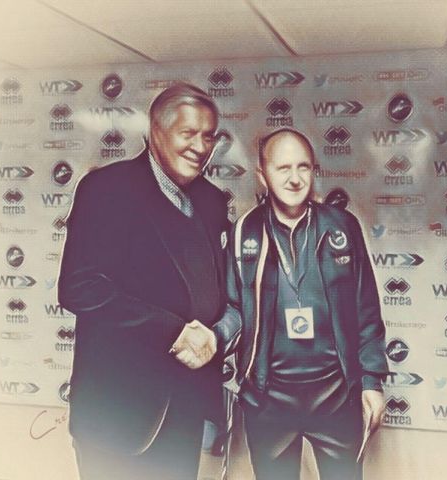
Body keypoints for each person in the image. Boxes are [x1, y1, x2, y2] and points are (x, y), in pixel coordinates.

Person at [178, 128, 388, 480]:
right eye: (283, 168)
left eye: (303, 167)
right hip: (269, 398)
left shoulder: (342, 227)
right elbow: (235, 309)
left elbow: (366, 310)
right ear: (262, 175)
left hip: (336, 395)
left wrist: (371, 381)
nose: (294, 179)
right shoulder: (244, 232)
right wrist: (215, 338)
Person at [58, 82, 228, 480]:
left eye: (208, 137)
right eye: (188, 133)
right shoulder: (106, 189)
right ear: (156, 131)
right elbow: (80, 286)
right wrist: (173, 332)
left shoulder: (211, 200)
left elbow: (213, 291)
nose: (200, 147)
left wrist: (220, 332)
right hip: (117, 415)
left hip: (186, 410)